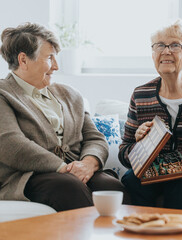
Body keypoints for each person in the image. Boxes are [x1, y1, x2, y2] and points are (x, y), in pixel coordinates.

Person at [0, 23, 124, 211]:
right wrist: (64, 168)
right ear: (23, 60)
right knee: (69, 187)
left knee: (111, 187)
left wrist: (88, 164)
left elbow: (94, 137)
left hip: (76, 171)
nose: (56, 66)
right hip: (30, 176)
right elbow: (11, 143)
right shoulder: (4, 94)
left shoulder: (70, 94)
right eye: (50, 57)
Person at [119, 19, 182, 210]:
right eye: (159, 46)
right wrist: (139, 144)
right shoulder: (141, 94)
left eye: (175, 45)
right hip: (151, 171)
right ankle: (143, 231)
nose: (165, 51)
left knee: (181, 183)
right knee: (131, 178)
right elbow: (124, 151)